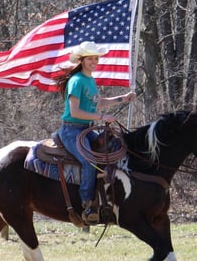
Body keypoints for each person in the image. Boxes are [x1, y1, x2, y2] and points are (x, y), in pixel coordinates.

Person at [56, 41, 137, 225]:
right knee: (89, 160)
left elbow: (97, 102)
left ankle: (109, 198)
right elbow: (75, 111)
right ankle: (87, 204)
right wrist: (101, 117)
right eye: (90, 58)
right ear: (82, 60)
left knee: (112, 150)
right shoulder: (76, 81)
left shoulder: (90, 80)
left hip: (87, 129)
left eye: (96, 58)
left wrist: (122, 98)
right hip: (71, 130)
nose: (94, 61)